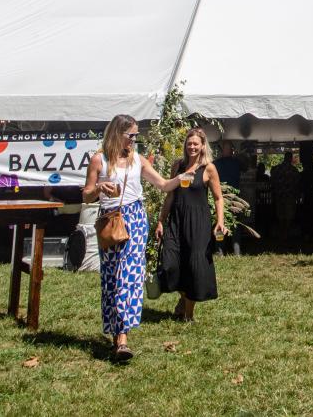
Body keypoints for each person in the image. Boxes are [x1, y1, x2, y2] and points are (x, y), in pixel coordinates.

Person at [82, 114, 180, 362]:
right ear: (117, 134)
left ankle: (122, 338)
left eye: (136, 135)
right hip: (110, 219)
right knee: (112, 276)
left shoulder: (138, 160)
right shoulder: (99, 159)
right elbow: (85, 195)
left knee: (130, 274)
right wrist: (99, 188)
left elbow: (163, 185)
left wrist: (185, 175)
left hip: (135, 218)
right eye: (131, 136)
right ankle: (117, 333)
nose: (135, 140)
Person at [155, 127, 227, 323]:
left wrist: (219, 221)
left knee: (194, 266)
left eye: (196, 144)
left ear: (203, 146)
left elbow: (218, 198)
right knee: (170, 264)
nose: (192, 147)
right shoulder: (177, 165)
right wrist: (161, 220)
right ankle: (183, 297)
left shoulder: (209, 168)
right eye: (189, 144)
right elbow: (170, 194)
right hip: (176, 220)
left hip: (198, 223)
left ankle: (188, 313)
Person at [271, 151, 300, 243]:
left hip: (279, 196)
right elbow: (297, 184)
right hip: (290, 196)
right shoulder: (294, 170)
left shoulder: (276, 169)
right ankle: (286, 234)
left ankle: (281, 233)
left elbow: (272, 181)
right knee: (289, 216)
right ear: (290, 158)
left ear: (284, 158)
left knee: (280, 215)